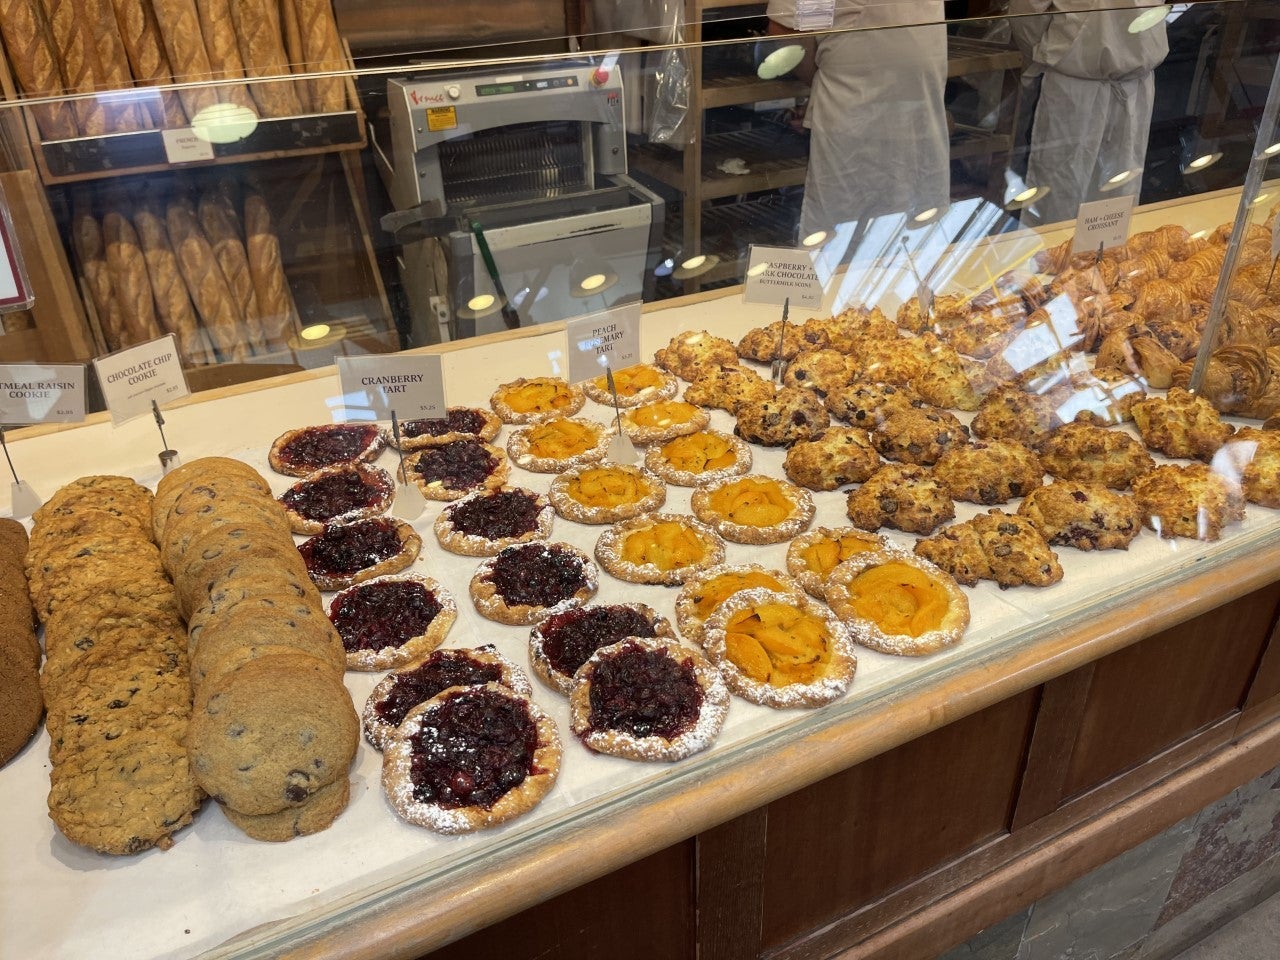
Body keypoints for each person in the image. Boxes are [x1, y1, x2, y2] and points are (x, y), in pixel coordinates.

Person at [765, 0, 950, 240]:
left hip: (922, 120)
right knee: (844, 248)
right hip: (854, 128)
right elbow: (791, 30)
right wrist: (827, 83)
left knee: (914, 251)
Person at [1011, 0, 1169, 225]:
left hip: (1127, 82)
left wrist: (1047, 50)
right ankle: (1060, 257)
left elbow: (1026, 12)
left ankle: (1102, 257)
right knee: (1063, 194)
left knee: (1114, 198)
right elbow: (1027, 11)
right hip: (1078, 85)